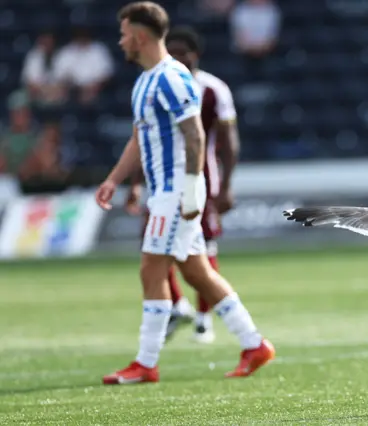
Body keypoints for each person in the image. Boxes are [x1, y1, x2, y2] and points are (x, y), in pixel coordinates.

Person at [95, 1, 274, 384]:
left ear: (140, 36)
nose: (121, 40)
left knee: (151, 269)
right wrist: (115, 179)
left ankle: (146, 362)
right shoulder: (145, 80)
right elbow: (139, 138)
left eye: (125, 33)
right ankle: (254, 344)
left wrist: (193, 189)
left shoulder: (172, 78)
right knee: (197, 272)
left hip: (176, 190)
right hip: (164, 190)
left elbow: (195, 133)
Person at [126, 25, 241, 345]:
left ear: (196, 55)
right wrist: (135, 183)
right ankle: (178, 306)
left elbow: (229, 142)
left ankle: (205, 319)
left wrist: (226, 186)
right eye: (171, 50)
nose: (176, 56)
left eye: (182, 52)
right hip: (161, 183)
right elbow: (143, 139)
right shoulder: (154, 84)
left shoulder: (212, 89)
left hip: (199, 181)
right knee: (155, 249)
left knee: (200, 250)